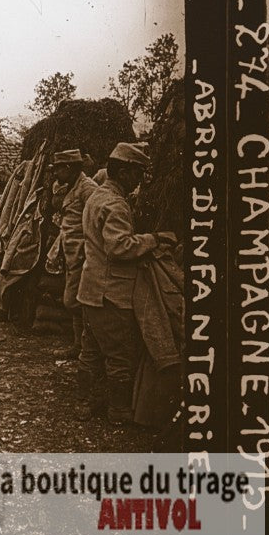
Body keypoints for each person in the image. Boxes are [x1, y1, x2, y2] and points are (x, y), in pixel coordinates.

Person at [78, 142, 168, 425]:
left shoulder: (96, 196)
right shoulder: (115, 204)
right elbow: (119, 247)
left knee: (90, 351)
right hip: (111, 294)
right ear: (125, 172)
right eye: (137, 174)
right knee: (120, 355)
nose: (139, 180)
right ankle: (118, 411)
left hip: (90, 289)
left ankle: (87, 404)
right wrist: (153, 239)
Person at [51, 149, 101, 420]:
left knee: (76, 301)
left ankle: (83, 348)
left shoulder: (88, 188)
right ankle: (77, 345)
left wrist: (84, 250)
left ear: (70, 168)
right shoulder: (71, 186)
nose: (56, 174)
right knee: (72, 301)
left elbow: (93, 221)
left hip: (82, 254)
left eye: (59, 169)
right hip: (70, 252)